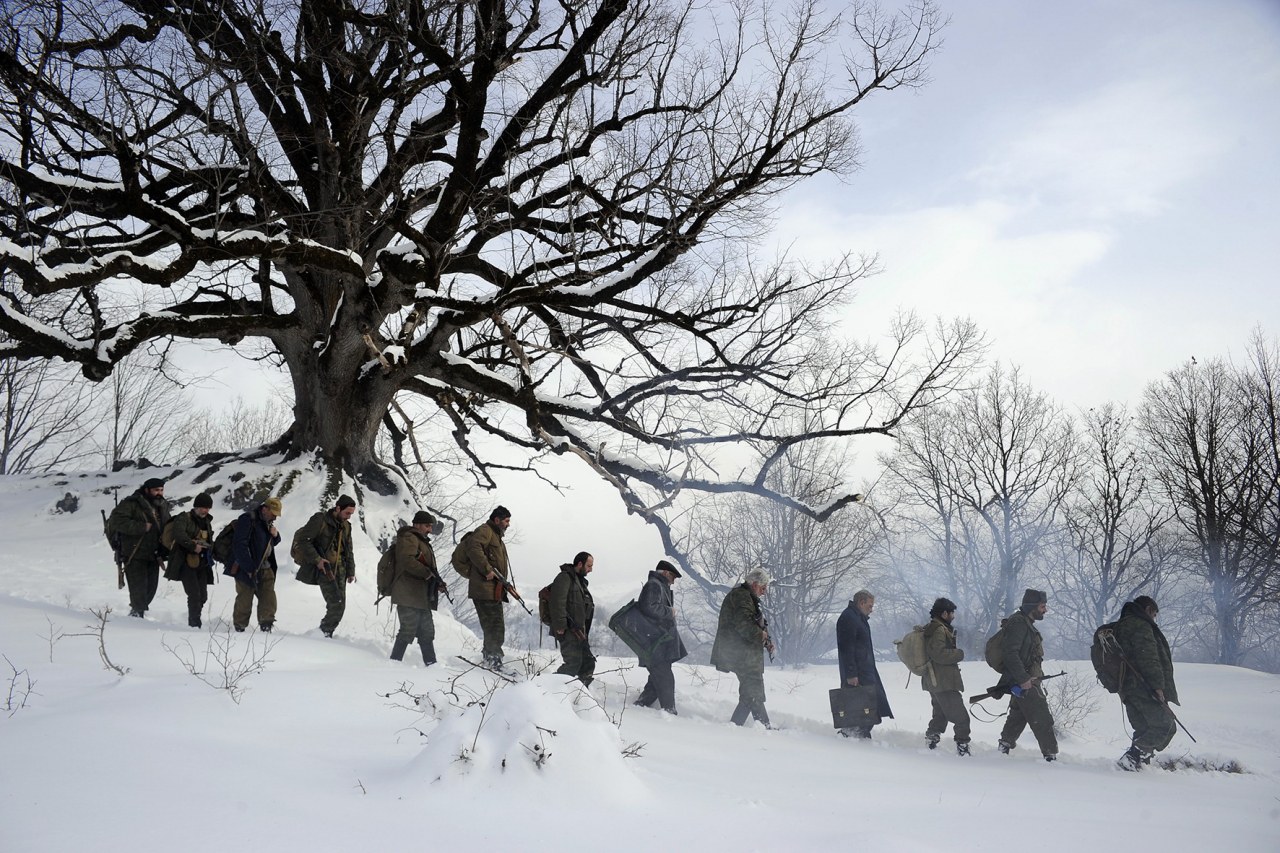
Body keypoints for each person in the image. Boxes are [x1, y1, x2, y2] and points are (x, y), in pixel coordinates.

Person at [1114, 595, 1179, 771]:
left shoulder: (1121, 625)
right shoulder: (1140, 625)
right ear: (1148, 609)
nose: (1154, 618)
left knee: (1144, 727)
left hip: (1126, 687)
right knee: (1166, 726)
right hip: (1143, 686)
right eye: (1154, 614)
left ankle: (1139, 765)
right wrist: (1158, 686)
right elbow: (1148, 658)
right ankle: (1131, 760)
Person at [996, 589, 1058, 761]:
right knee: (1042, 718)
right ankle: (1050, 758)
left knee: (1018, 715)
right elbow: (1010, 653)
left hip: (1028, 679)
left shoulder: (1026, 623)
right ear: (1032, 606)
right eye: (1042, 606)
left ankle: (1003, 748)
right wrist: (1023, 678)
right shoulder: (1019, 623)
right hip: (1025, 680)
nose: (1045, 610)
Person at [710, 569, 774, 728]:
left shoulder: (746, 597)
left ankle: (737, 726)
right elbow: (744, 624)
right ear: (755, 584)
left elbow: (753, 623)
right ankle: (764, 728)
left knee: (750, 693)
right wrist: (761, 635)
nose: (764, 592)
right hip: (742, 654)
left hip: (743, 654)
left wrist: (766, 640)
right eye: (763, 588)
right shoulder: (742, 596)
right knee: (753, 691)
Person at [107, 476, 172, 618]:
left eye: (161, 490)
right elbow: (116, 521)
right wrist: (141, 527)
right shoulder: (131, 503)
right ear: (147, 490)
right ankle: (136, 617)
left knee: (151, 589)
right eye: (156, 490)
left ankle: (137, 613)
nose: (159, 493)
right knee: (138, 590)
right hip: (134, 553)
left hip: (154, 554)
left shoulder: (162, 505)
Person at [294, 495, 357, 637]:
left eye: (351, 514)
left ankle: (324, 634)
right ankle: (323, 634)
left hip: (341, 570)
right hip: (324, 569)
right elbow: (304, 541)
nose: (349, 517)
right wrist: (317, 560)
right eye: (347, 513)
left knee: (340, 606)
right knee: (336, 604)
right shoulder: (320, 520)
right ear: (338, 508)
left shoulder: (346, 526)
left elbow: (349, 550)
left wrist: (351, 571)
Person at [835, 589, 894, 738]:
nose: (871, 610)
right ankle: (852, 734)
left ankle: (860, 733)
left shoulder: (857, 617)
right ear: (861, 603)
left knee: (870, 703)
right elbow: (846, 648)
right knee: (860, 703)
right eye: (870, 606)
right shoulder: (849, 618)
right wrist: (851, 674)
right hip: (857, 672)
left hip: (865, 669)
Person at [389, 511, 445, 666]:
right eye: (427, 526)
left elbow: (429, 567)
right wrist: (427, 574)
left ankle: (431, 664)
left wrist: (437, 582)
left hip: (420, 595)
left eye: (430, 526)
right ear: (417, 525)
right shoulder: (409, 537)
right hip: (407, 593)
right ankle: (393, 664)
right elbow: (407, 560)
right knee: (408, 629)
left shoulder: (421, 541)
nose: (429, 529)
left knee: (427, 631)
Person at [460, 506, 513, 669]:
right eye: (506, 521)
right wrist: (487, 569)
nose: (508, 524)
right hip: (484, 589)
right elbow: (473, 547)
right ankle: (493, 662)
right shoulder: (485, 530)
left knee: (494, 626)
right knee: (494, 627)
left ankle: (490, 659)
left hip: (492, 589)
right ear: (497, 520)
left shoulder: (495, 535)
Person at [633, 560, 688, 714]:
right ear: (665, 572)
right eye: (673, 577)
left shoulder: (659, 585)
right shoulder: (654, 585)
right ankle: (669, 712)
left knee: (657, 679)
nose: (674, 581)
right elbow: (649, 607)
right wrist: (669, 611)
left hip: (658, 642)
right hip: (655, 642)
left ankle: (639, 706)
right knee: (665, 678)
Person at [921, 597, 970, 755]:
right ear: (944, 613)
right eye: (951, 613)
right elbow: (939, 654)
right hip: (943, 682)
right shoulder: (939, 630)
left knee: (940, 714)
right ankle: (963, 748)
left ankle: (931, 742)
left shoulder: (933, 628)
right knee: (961, 718)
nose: (953, 616)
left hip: (935, 681)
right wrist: (959, 654)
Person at [226, 497, 283, 633]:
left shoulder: (267, 522)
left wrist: (276, 536)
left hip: (266, 567)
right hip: (246, 568)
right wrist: (249, 568)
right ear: (265, 509)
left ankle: (266, 626)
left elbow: (269, 543)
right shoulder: (247, 519)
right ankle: (239, 629)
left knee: (268, 599)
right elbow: (239, 545)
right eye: (273, 513)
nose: (275, 517)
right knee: (245, 599)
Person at [163, 492, 215, 628]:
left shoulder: (207, 521)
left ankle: (195, 618)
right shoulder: (183, 518)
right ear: (196, 507)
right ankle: (194, 623)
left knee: (202, 596)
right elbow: (179, 535)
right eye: (203, 507)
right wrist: (193, 546)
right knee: (194, 594)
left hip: (202, 562)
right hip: (184, 562)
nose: (206, 511)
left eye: (208, 508)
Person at [548, 551, 596, 685]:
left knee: (588, 663)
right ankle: (549, 687)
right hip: (567, 630)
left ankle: (581, 693)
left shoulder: (579, 581)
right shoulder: (565, 577)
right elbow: (557, 602)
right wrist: (560, 626)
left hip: (579, 631)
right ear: (580, 564)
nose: (591, 570)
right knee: (573, 663)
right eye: (589, 566)